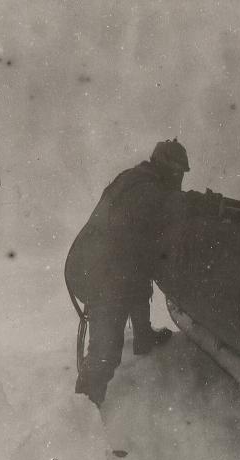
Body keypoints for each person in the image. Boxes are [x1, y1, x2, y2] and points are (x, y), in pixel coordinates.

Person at [65, 139, 190, 406]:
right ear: (166, 167)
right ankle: (82, 415)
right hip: (100, 272)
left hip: (105, 266)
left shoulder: (137, 179)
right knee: (106, 351)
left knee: (135, 275)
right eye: (178, 172)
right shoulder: (146, 191)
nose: (179, 178)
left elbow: (137, 258)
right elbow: (161, 216)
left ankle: (143, 336)